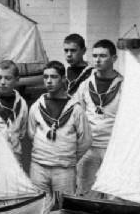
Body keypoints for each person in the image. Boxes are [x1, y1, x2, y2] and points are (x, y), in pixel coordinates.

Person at [27, 61, 91, 196]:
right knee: (40, 207)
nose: (49, 81)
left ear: (63, 79)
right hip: (39, 167)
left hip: (64, 169)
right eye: (45, 77)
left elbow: (85, 140)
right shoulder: (36, 107)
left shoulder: (76, 109)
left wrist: (67, 157)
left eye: (53, 77)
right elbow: (32, 133)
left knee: (63, 207)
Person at [74, 40, 123, 196]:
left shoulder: (125, 86)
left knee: (114, 193)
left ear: (114, 59)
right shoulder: (85, 85)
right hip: (89, 147)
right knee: (86, 191)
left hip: (114, 149)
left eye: (103, 56)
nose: (97, 60)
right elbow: (77, 116)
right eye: (94, 56)